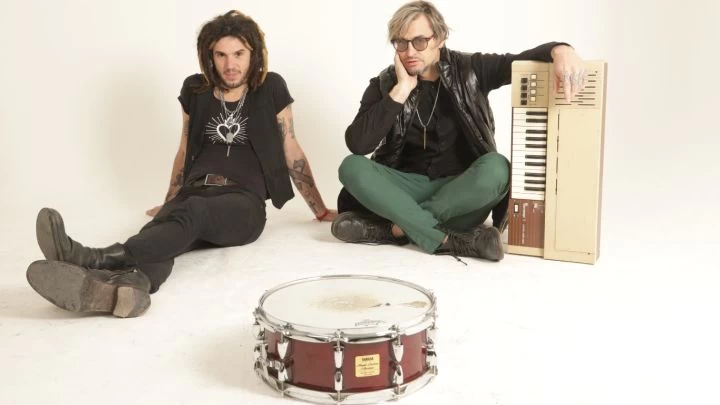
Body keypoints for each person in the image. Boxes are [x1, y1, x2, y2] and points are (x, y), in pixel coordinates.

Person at [26, 10, 337, 318]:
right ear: (209, 56)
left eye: (239, 54)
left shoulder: (270, 87)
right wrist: (169, 201)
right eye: (221, 55)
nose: (230, 65)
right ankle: (127, 291)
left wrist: (319, 209)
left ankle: (90, 257)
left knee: (190, 212)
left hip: (243, 205)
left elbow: (290, 147)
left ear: (253, 54)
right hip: (193, 192)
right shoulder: (195, 90)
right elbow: (184, 149)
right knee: (163, 233)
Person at [331, 1, 586, 262]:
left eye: (419, 41)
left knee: (498, 168)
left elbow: (519, 60)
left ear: (440, 38)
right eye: (401, 43)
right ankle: (449, 240)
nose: (410, 51)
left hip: (459, 195)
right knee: (351, 167)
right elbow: (358, 145)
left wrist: (561, 50)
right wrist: (401, 91)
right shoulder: (386, 83)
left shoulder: (471, 69)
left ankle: (397, 229)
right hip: (404, 189)